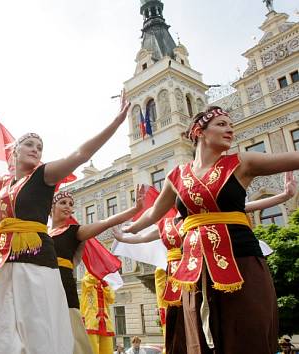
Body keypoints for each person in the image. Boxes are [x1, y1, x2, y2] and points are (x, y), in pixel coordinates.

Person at [0, 92, 130, 354]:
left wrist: (115, 123)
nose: (36, 149)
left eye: (39, 147)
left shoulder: (44, 175)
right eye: (30, 145)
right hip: (6, 259)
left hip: (37, 260)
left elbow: (81, 154)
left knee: (38, 325)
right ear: (14, 151)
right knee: (0, 325)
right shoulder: (2, 184)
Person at [123, 106, 299, 353]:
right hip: (195, 268)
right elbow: (154, 214)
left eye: (231, 125)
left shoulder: (241, 162)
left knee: (248, 329)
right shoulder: (177, 176)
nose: (230, 130)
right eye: (222, 124)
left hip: (241, 259)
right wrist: (126, 229)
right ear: (199, 131)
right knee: (200, 337)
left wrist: (283, 196)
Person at [114, 172, 295, 354]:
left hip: (204, 269)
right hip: (178, 279)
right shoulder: (167, 224)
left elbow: (245, 207)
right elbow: (144, 237)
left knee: (218, 316)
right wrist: (125, 236)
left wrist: (284, 196)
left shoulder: (202, 212)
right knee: (181, 322)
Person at [50, 187, 145, 354]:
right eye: (62, 202)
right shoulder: (42, 233)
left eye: (71, 204)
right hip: (43, 285)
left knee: (72, 338)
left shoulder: (75, 231)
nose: (67, 206)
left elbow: (106, 222)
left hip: (64, 288)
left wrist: (135, 209)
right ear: (51, 207)